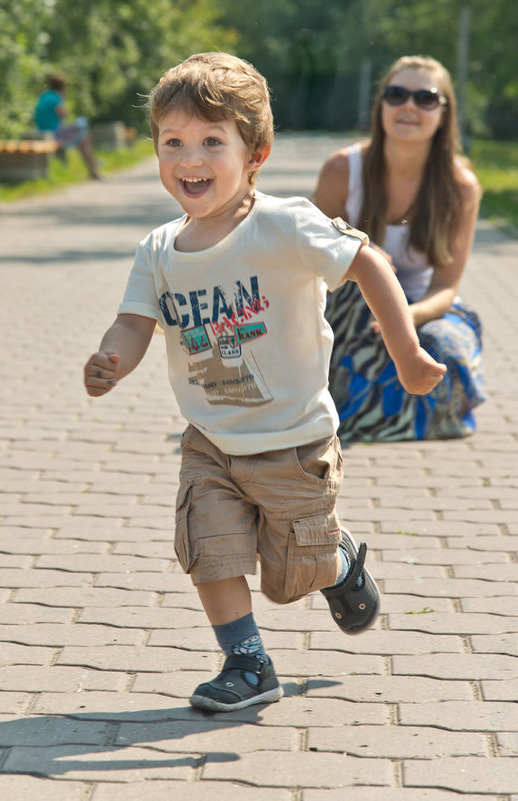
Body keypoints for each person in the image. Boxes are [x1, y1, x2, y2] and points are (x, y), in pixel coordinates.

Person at [83, 53, 445, 712]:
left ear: (256, 152)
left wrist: (408, 352)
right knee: (210, 549)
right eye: (173, 142)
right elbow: (134, 322)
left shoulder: (282, 224)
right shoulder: (159, 250)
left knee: (289, 577)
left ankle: (336, 561)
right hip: (212, 441)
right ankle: (248, 663)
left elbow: (368, 262)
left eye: (211, 142)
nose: (189, 158)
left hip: (294, 441)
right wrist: (112, 357)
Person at [314, 55, 484, 442]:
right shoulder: (343, 169)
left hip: (421, 304)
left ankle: (380, 414)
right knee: (364, 293)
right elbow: (308, 257)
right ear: (381, 106)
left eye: (425, 98)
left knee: (445, 347)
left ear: (444, 113)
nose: (408, 106)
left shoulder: (461, 186)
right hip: (349, 304)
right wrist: (361, 250)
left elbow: (445, 288)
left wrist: (405, 316)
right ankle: (348, 410)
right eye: (396, 94)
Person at [34, 73, 100, 180]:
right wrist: (63, 98)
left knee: (81, 133)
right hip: (54, 133)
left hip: (43, 131)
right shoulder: (56, 98)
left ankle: (91, 166)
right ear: (62, 87)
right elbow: (64, 115)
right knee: (84, 135)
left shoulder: (45, 96)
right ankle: (93, 168)